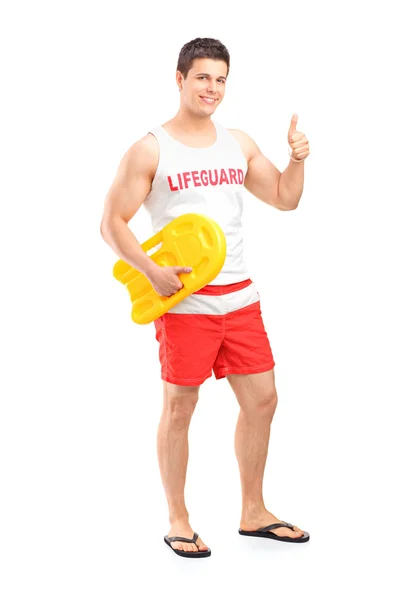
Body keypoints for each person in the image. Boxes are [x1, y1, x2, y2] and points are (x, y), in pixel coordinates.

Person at [100, 37, 311, 558]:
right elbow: (110, 224)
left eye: (220, 79)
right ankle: (178, 519)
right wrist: (150, 271)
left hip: (240, 297)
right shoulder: (150, 148)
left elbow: (285, 198)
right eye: (202, 77)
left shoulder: (237, 143)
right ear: (180, 78)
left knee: (264, 400)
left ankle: (253, 511)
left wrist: (297, 158)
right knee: (180, 407)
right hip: (185, 302)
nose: (211, 88)